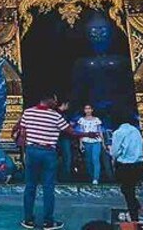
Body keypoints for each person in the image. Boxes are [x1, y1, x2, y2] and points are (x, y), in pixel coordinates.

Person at [18, 94, 96, 230]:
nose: (56, 102)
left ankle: (28, 219)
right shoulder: (55, 116)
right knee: (48, 187)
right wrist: (87, 134)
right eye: (54, 100)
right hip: (48, 153)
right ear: (47, 100)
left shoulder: (28, 112)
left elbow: (23, 132)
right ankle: (48, 222)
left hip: (32, 151)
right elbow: (71, 132)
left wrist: (24, 152)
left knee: (30, 186)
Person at [111, 114, 143, 225]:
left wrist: (114, 158)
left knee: (128, 191)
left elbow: (115, 151)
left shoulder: (118, 133)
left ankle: (135, 217)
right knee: (127, 189)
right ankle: (138, 212)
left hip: (126, 165)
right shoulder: (136, 131)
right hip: (138, 164)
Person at [78, 104, 104, 184]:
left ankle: (96, 178)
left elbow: (100, 131)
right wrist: (81, 143)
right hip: (86, 141)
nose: (88, 110)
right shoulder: (81, 120)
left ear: (92, 110)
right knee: (88, 160)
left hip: (96, 141)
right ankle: (91, 176)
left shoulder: (97, 119)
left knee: (95, 159)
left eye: (89, 108)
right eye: (86, 108)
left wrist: (103, 143)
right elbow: (81, 132)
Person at [56, 99, 74, 181]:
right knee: (66, 156)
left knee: (66, 157)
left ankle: (65, 176)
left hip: (63, 138)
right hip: (60, 138)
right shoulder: (56, 113)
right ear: (64, 104)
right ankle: (64, 176)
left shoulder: (64, 114)